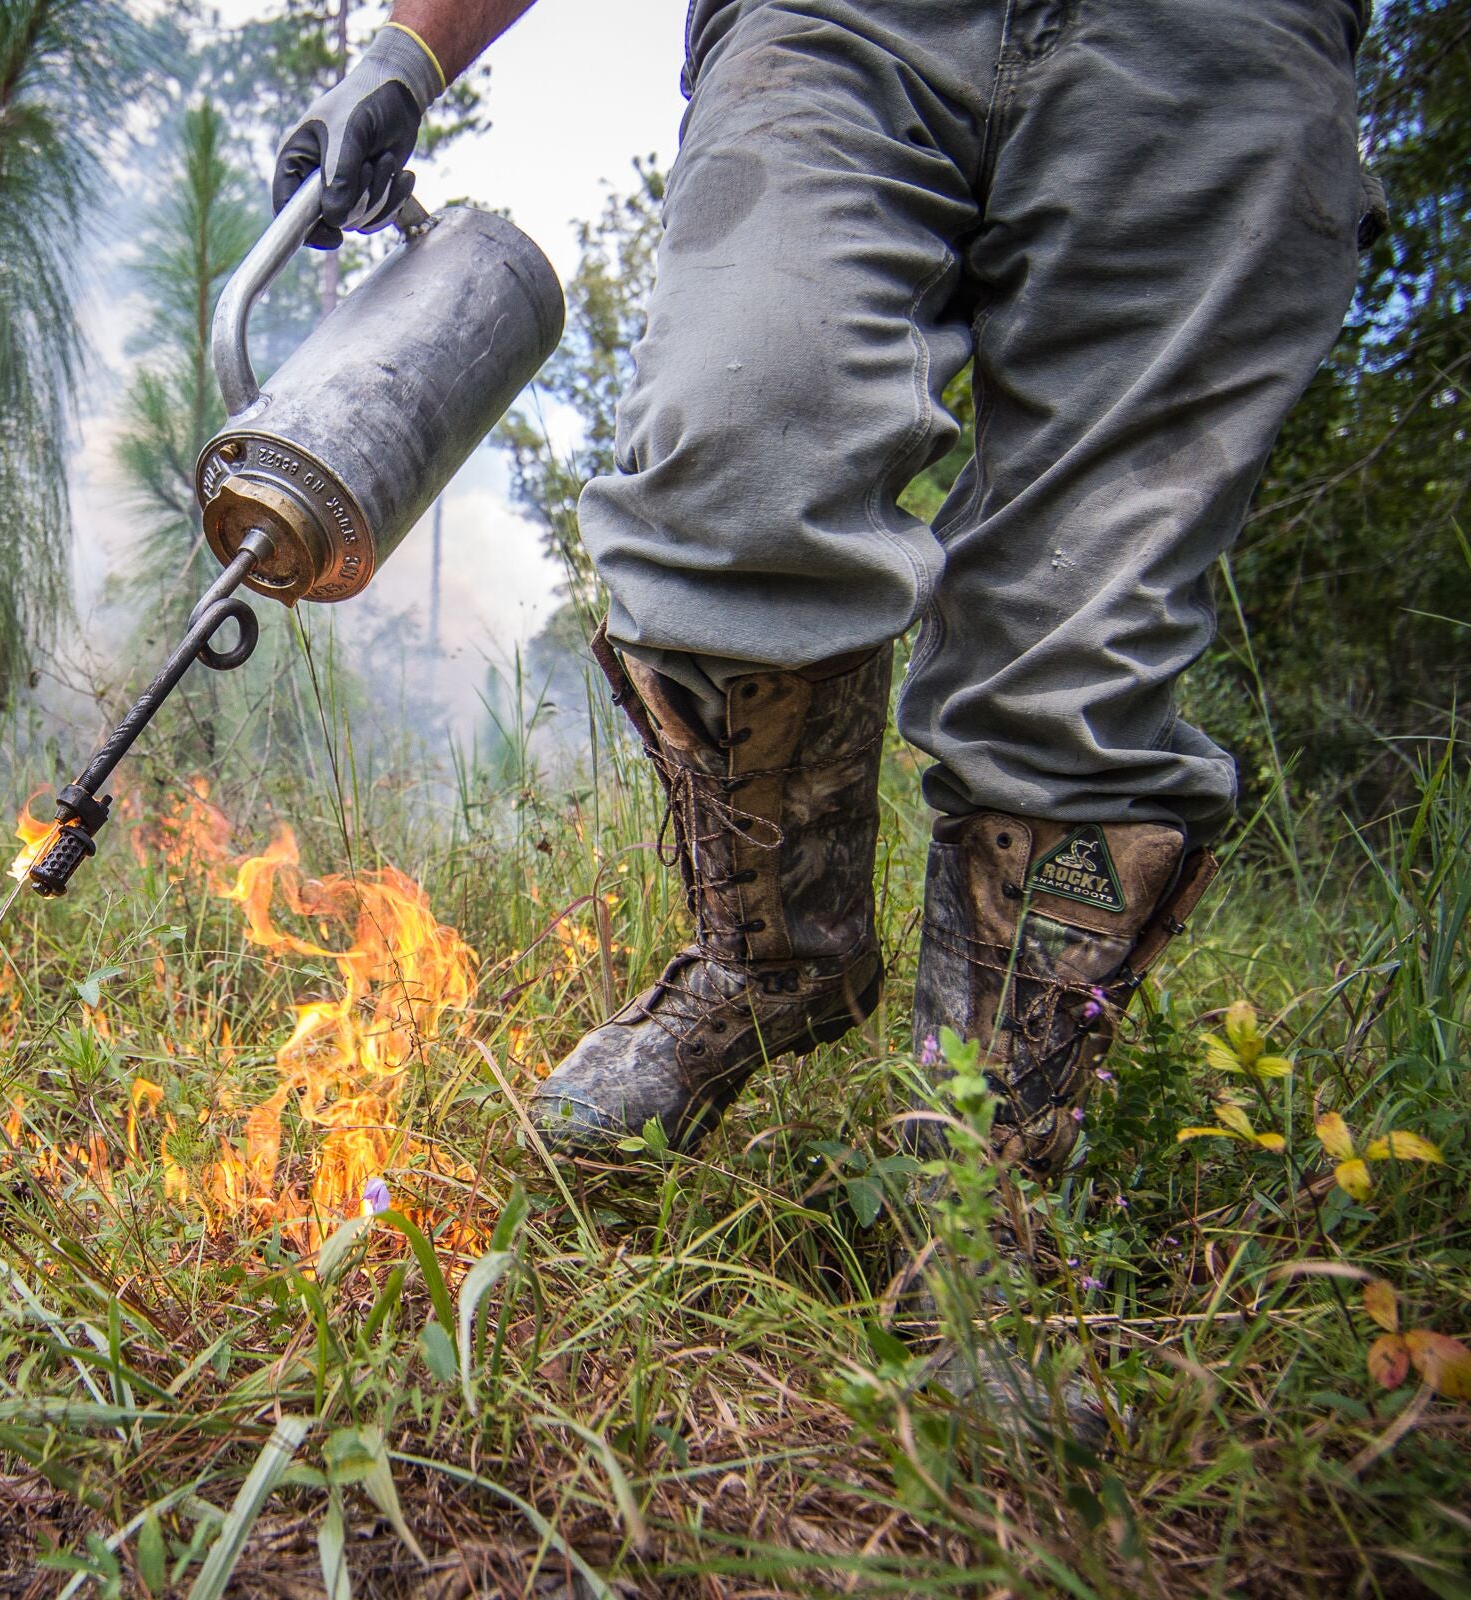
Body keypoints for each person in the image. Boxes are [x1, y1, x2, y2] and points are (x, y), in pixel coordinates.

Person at [275, 0, 1376, 1174]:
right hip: (839, 25)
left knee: (1084, 630)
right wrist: (409, 52)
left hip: (1213, 43)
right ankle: (777, 961)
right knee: (735, 451)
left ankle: (980, 1163)